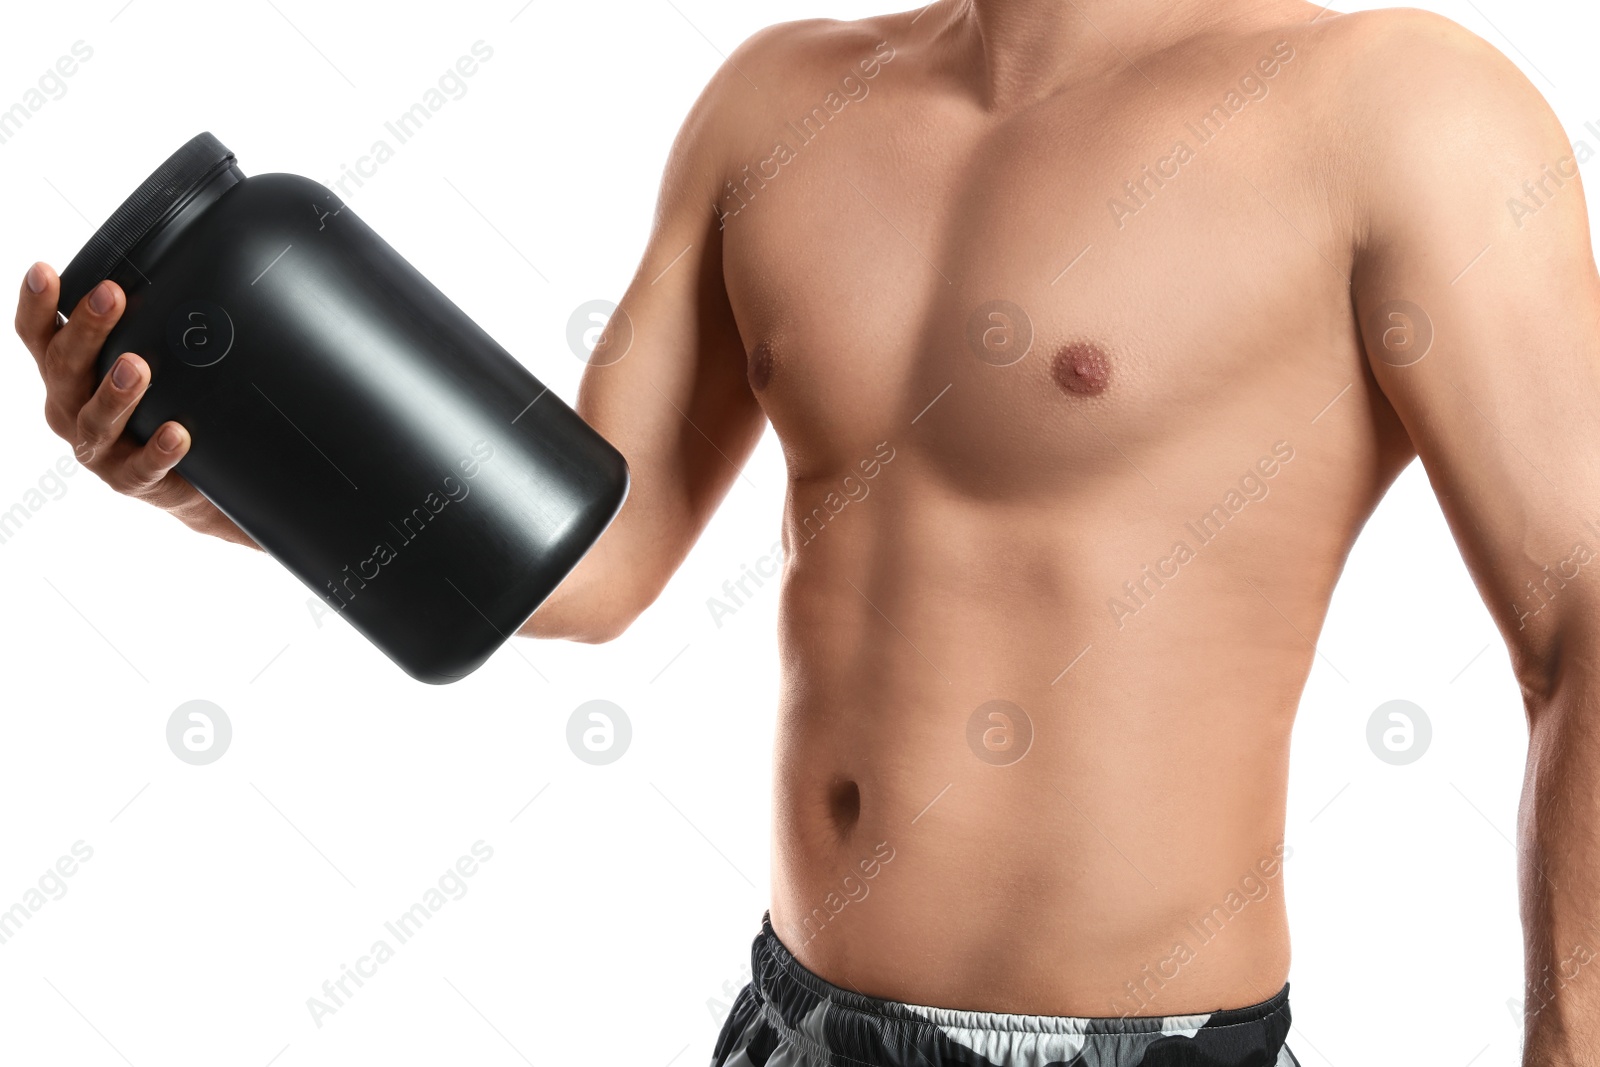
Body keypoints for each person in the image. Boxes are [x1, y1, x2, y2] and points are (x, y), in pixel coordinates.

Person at [16, 0, 1600, 1062]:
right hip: (789, 1021)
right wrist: (221, 487)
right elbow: (591, 560)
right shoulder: (778, 100)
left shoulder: (1395, 107)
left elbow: (1583, 625)